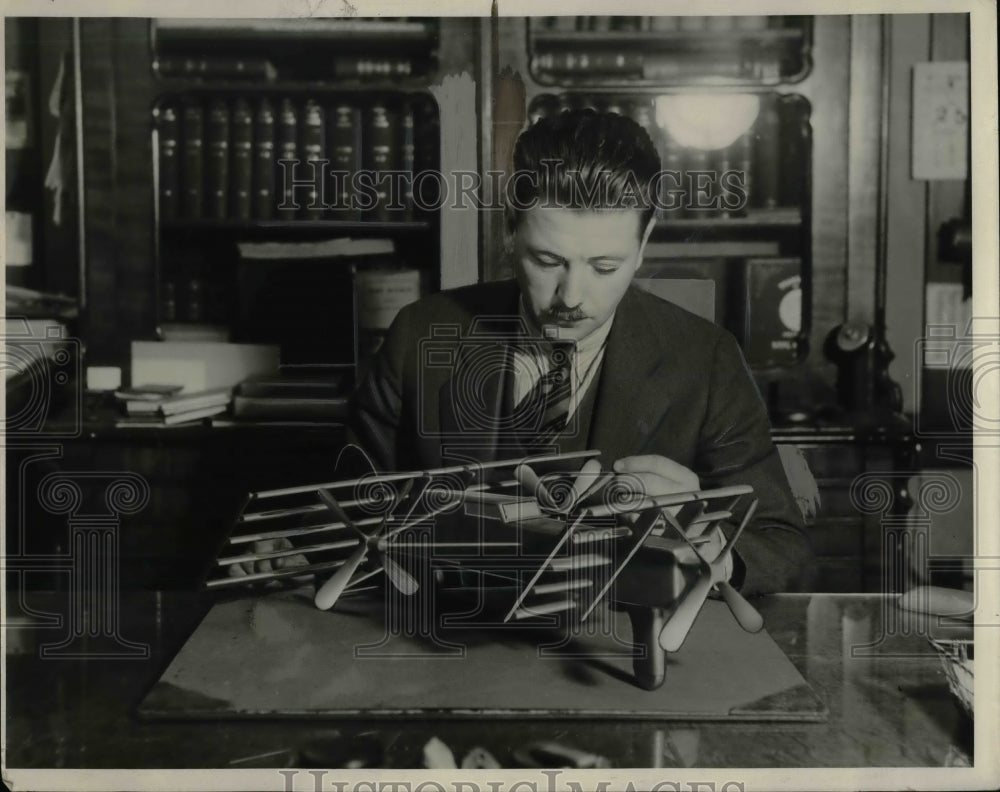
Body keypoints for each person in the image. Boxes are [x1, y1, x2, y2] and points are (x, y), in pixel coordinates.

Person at [349, 108, 812, 597]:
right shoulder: (419, 335)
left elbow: (781, 547)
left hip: (610, 652)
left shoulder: (707, 358)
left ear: (644, 241)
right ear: (511, 229)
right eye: (547, 260)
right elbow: (351, 518)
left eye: (604, 266)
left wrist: (705, 538)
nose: (570, 297)